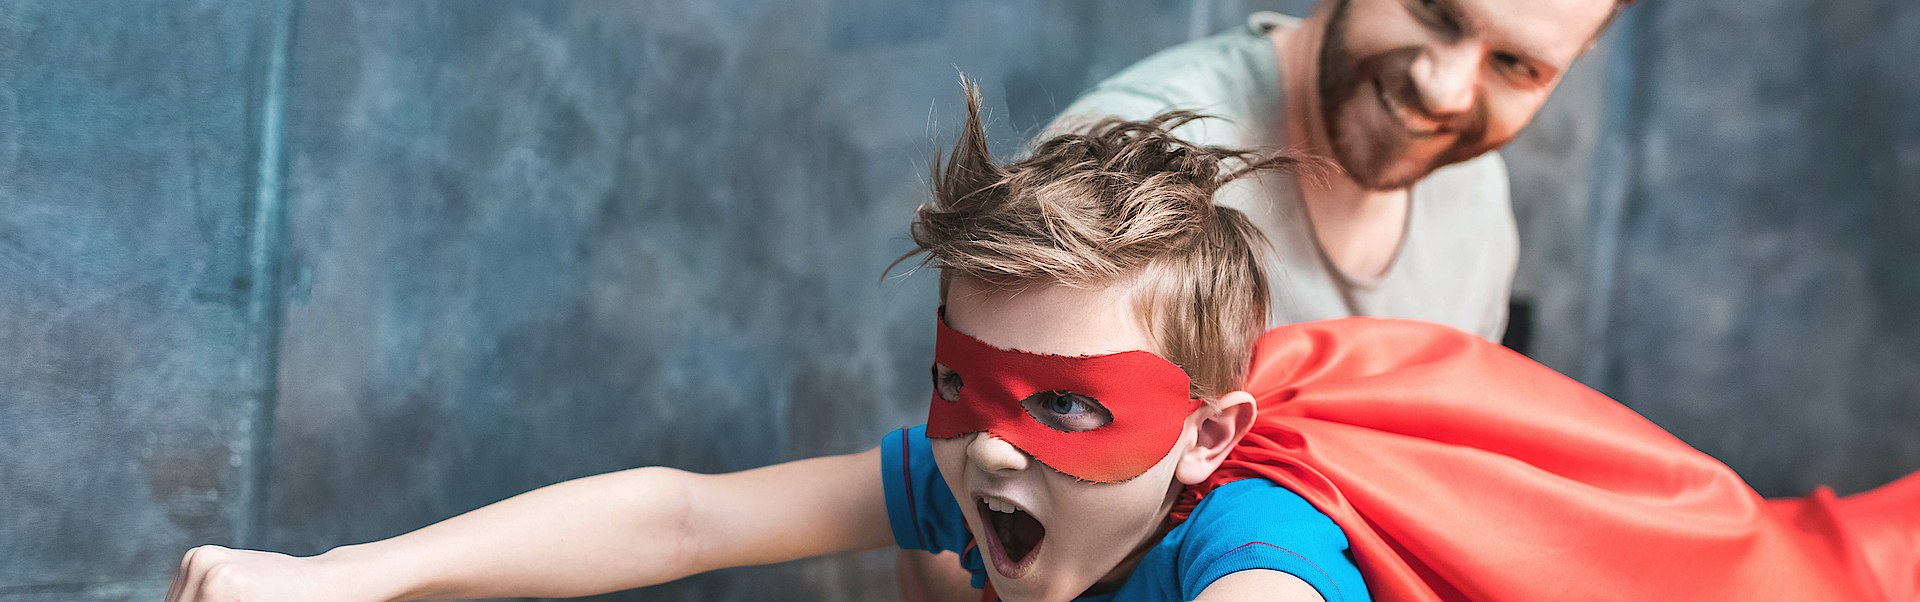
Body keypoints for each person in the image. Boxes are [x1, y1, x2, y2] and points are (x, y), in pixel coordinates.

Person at [162, 87, 1358, 602]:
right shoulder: (994, 486)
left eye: (1069, 408)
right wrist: (348, 575)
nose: (992, 451)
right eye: (960, 383)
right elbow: (687, 517)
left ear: (1205, 437)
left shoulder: (1258, 548)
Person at [1036, 0, 1633, 342]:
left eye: (1514, 64)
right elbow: (970, 532)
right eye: (1432, 9)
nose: (1441, 89)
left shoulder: (1477, 201)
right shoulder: (1116, 165)